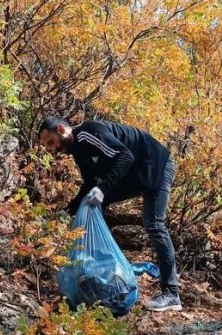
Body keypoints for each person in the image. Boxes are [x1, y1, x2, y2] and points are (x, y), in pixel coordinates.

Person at [37, 116, 182, 312]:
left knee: (154, 224)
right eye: (48, 147)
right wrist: (68, 210)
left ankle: (171, 293)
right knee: (91, 204)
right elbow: (90, 184)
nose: (53, 149)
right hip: (135, 172)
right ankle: (100, 277)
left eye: (52, 142)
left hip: (156, 166)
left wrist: (103, 189)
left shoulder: (88, 133)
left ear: (62, 129)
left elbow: (125, 156)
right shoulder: (79, 152)